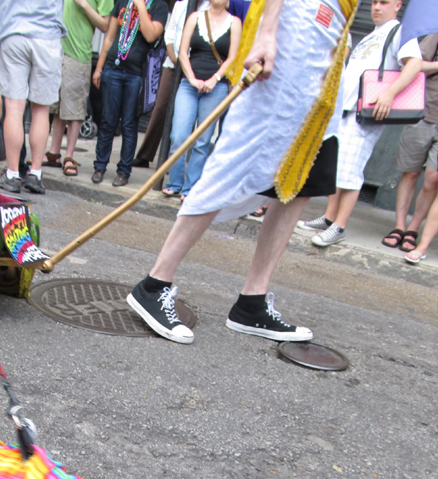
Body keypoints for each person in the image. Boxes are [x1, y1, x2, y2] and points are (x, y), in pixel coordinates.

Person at [126, 0, 355, 345]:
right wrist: (266, 32)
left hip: (330, 47)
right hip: (297, 30)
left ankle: (252, 302)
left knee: (303, 175)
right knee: (237, 158)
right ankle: (154, 284)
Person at [298, 0, 422, 248]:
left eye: (383, 2)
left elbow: (415, 64)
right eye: (374, 2)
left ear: (398, 5)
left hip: (365, 112)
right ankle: (330, 218)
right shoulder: (373, 34)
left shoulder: (399, 31)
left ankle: (339, 226)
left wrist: (388, 94)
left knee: (351, 173)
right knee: (339, 168)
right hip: (348, 108)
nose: (376, 7)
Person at [162, 0, 241, 200]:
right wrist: (191, 78)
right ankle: (175, 182)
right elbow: (182, 52)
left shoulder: (234, 23)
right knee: (179, 135)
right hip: (190, 84)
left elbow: (233, 57)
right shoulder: (195, 17)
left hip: (216, 87)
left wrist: (215, 79)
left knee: (202, 141)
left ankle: (190, 189)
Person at [0, 0, 66, 195]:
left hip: (13, 29)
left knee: (14, 109)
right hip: (47, 34)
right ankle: (36, 173)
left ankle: (13, 174)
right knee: (41, 110)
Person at [91, 0, 168, 187]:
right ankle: (100, 166)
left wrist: (140, 5)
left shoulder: (159, 6)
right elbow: (110, 37)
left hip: (136, 74)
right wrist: (99, 67)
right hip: (112, 68)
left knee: (129, 123)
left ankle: (123, 171)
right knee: (108, 121)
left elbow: (150, 35)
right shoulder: (122, 2)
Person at [380, 32, 438, 253]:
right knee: (411, 172)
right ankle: (399, 226)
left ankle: (413, 229)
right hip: (424, 111)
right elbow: (417, 64)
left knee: (433, 178)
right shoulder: (435, 32)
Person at [43, 0, 113, 176]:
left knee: (75, 108)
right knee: (57, 105)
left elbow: (105, 24)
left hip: (78, 53)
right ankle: (54, 152)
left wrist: (84, 4)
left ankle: (69, 156)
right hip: (55, 48)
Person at [132, 0, 189, 169]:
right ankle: (145, 154)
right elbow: (169, 35)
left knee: (185, 115)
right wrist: (175, 59)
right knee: (160, 107)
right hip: (173, 63)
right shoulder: (181, 5)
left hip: (195, 67)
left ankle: (174, 162)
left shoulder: (208, 7)